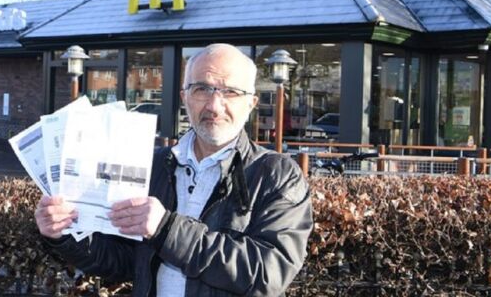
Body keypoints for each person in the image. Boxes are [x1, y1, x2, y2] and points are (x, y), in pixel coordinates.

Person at [35, 43, 313, 296]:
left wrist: (166, 228)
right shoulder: (153, 164)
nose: (214, 106)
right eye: (202, 89)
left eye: (230, 91)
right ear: (184, 96)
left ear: (251, 103)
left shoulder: (277, 176)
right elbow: (124, 262)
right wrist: (62, 235)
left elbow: (267, 274)